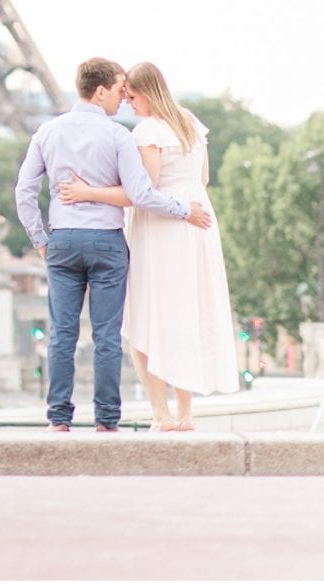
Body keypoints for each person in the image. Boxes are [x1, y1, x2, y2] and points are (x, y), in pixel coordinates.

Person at [14, 56, 212, 432]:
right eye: (119, 90)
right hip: (107, 242)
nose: (123, 97)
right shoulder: (119, 135)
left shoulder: (48, 132)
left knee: (62, 333)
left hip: (64, 239)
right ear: (100, 90)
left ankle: (58, 418)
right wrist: (185, 209)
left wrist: (40, 238)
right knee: (106, 335)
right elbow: (141, 194)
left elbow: (24, 191)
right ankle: (106, 420)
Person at [57, 60, 238, 428]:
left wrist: (86, 191)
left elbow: (144, 192)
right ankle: (185, 414)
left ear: (148, 94)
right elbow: (202, 176)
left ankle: (160, 413)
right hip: (198, 217)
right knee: (185, 311)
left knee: (144, 317)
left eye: (132, 95)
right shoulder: (190, 122)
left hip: (162, 226)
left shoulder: (148, 130)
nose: (128, 103)